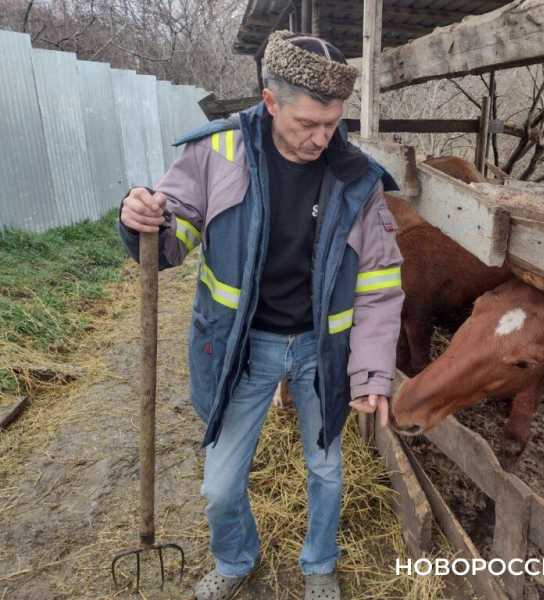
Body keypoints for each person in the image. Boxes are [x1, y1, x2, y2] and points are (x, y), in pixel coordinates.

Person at [118, 30, 403, 600]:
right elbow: (170, 240)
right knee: (220, 487)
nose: (322, 138)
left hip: (321, 351)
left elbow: (379, 284)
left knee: (326, 471)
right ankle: (235, 560)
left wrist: (372, 372)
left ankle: (319, 564)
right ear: (271, 102)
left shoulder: (358, 179)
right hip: (241, 349)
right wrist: (144, 220)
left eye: (333, 123)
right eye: (308, 124)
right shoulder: (216, 153)